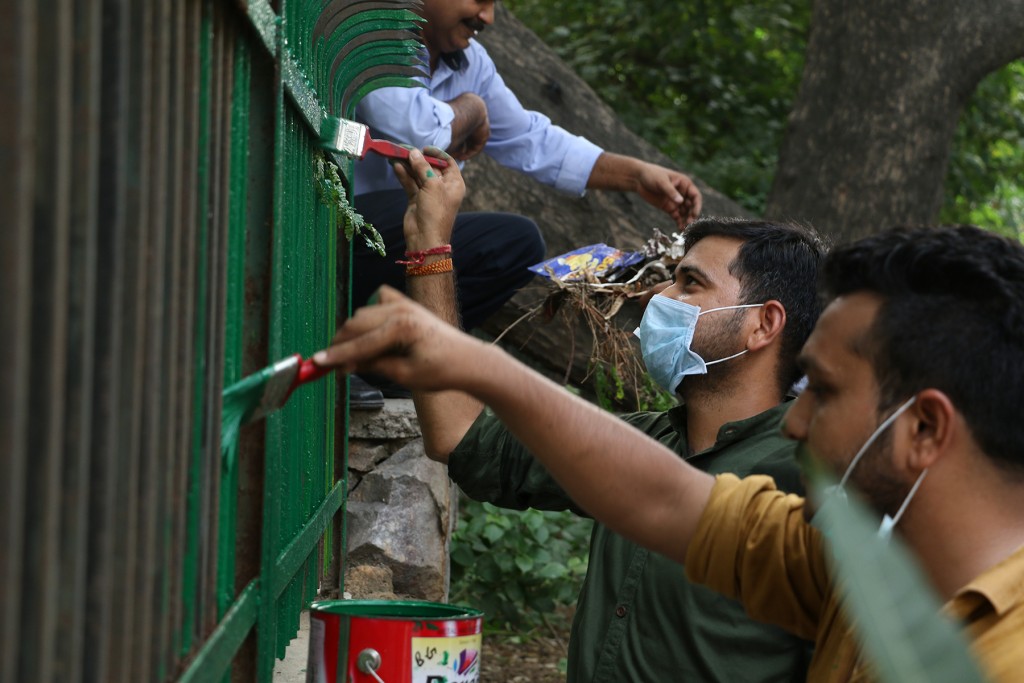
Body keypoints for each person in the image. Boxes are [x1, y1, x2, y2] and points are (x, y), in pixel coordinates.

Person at [317, 158, 1024, 682]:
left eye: (827, 392)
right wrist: (457, 318)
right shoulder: (829, 561)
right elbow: (663, 496)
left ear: (925, 429)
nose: (798, 420)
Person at [338, 150, 827, 680]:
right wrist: (430, 244)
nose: (661, 295)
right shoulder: (644, 443)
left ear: (763, 325)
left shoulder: (812, 480)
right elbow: (461, 436)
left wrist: (485, 366)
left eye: (690, 283)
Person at [350, 0, 702, 340]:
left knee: (514, 244)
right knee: (432, 215)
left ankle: (390, 366)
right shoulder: (373, 29)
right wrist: (471, 108)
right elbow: (415, 130)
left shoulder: (472, 64)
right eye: (480, 1)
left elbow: (531, 138)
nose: (487, 17)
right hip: (338, 216)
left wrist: (636, 174)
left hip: (400, 231)